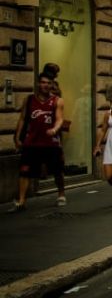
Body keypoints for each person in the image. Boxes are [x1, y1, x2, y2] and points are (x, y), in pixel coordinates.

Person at [10, 70, 67, 211]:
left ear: (52, 84)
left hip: (51, 143)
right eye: (43, 82)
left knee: (57, 171)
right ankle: (22, 201)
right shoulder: (29, 100)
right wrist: (17, 137)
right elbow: (23, 119)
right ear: (38, 83)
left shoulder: (57, 101)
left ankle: (61, 194)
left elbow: (60, 119)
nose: (45, 85)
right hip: (32, 142)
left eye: (48, 83)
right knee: (24, 171)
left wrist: (54, 129)